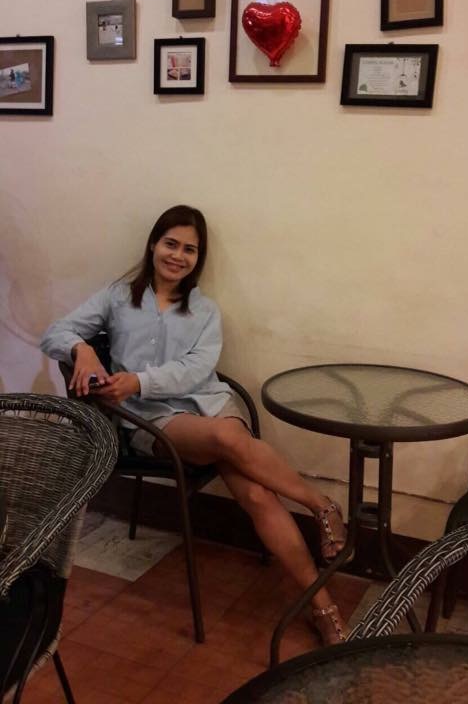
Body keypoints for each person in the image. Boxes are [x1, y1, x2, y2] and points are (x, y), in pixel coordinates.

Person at [41, 204, 349, 644]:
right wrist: (82, 350)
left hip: (211, 403)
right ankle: (322, 506)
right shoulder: (118, 296)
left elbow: (197, 370)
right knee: (227, 437)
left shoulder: (204, 310)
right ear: (153, 244)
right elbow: (54, 332)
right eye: (171, 244)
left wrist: (139, 379)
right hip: (153, 419)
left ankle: (322, 607)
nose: (178, 256)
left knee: (257, 494)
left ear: (198, 258)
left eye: (190, 249)